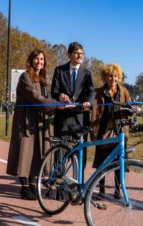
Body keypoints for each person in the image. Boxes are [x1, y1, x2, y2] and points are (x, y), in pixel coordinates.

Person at [6, 49, 59, 200]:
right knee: (24, 152)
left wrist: (60, 100)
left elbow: (46, 97)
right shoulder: (25, 76)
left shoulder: (42, 79)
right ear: (31, 60)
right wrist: (56, 104)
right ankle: (24, 187)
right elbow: (34, 97)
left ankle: (33, 185)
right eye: (36, 59)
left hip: (40, 121)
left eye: (42, 59)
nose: (39, 62)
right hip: (25, 121)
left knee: (37, 152)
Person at [51, 42, 95, 178]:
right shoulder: (59, 70)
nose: (80, 55)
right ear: (69, 55)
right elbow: (54, 90)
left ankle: (78, 185)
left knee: (80, 153)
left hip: (81, 119)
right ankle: (58, 185)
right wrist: (60, 95)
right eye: (77, 53)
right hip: (63, 118)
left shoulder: (87, 74)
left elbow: (92, 91)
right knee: (60, 152)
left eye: (82, 53)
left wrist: (89, 102)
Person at [90, 63, 132, 199]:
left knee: (119, 163)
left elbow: (130, 109)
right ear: (105, 77)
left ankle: (117, 190)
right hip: (103, 132)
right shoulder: (98, 92)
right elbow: (93, 109)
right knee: (102, 164)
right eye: (110, 76)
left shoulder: (124, 91)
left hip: (120, 133)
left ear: (118, 77)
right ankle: (101, 191)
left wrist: (132, 110)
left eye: (115, 76)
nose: (113, 79)